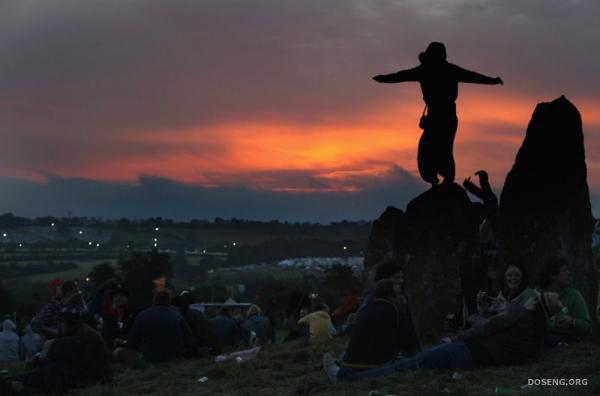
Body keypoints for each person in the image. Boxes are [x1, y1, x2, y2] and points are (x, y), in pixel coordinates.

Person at [324, 291, 563, 383]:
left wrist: (457, 338)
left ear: (536, 303)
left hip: (465, 351)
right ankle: (352, 374)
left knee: (406, 365)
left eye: (535, 297)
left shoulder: (521, 314)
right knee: (407, 367)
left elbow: (488, 328)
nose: (530, 297)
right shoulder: (535, 338)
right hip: (477, 361)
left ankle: (347, 377)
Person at [373, 42, 503, 185]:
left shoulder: (429, 70)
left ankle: (444, 179)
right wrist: (384, 78)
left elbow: (473, 77)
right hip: (441, 117)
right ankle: (439, 179)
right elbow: (401, 76)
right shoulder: (436, 70)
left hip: (443, 117)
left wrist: (492, 81)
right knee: (435, 148)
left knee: (440, 148)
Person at [0, 307, 111, 395]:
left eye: (61, 321)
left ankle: (21, 388)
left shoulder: (86, 335)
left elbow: (79, 365)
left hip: (91, 376)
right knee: (39, 373)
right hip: (74, 372)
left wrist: (48, 360)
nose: (58, 325)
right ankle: (9, 383)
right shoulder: (71, 332)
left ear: (71, 322)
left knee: (51, 370)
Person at [325, 279, 416, 383]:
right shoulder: (395, 310)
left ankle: (341, 370)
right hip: (376, 364)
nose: (401, 297)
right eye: (399, 294)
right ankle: (344, 378)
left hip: (349, 362)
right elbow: (408, 344)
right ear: (391, 297)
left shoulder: (365, 308)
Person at [115, 290, 194, 363]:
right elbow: (190, 340)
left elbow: (132, 342)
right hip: (174, 358)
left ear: (154, 301)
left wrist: (122, 343)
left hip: (148, 358)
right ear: (169, 302)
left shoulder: (142, 315)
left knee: (118, 352)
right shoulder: (177, 316)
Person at [361, 258, 421, 354]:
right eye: (396, 278)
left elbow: (410, 326)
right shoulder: (373, 300)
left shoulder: (403, 297)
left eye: (402, 278)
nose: (401, 281)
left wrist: (417, 350)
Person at [538, 257, 591, 346]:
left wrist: (572, 321)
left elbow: (587, 327)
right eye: (564, 271)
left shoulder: (574, 295)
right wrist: (552, 324)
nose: (569, 273)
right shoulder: (538, 294)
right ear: (552, 275)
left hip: (568, 340)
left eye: (568, 270)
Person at [469, 263, 535, 328]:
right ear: (504, 278)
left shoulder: (530, 295)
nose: (513, 278)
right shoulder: (503, 293)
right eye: (509, 275)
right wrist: (483, 306)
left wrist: (504, 308)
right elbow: (489, 316)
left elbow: (524, 320)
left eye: (517, 275)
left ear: (523, 277)